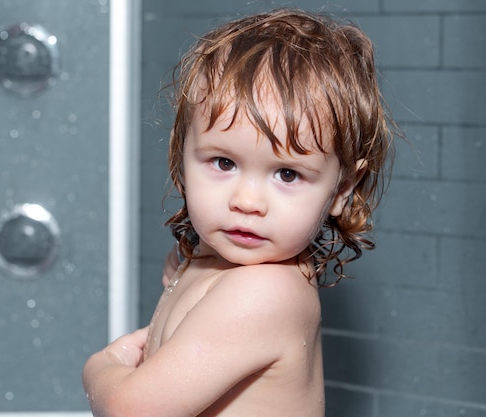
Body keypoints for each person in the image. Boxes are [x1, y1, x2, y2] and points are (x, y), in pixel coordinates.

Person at [83, 7, 396, 417]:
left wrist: (102, 365)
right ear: (181, 158)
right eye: (224, 163)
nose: (247, 201)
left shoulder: (266, 293)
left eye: (287, 173)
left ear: (341, 189)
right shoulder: (205, 264)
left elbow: (132, 410)